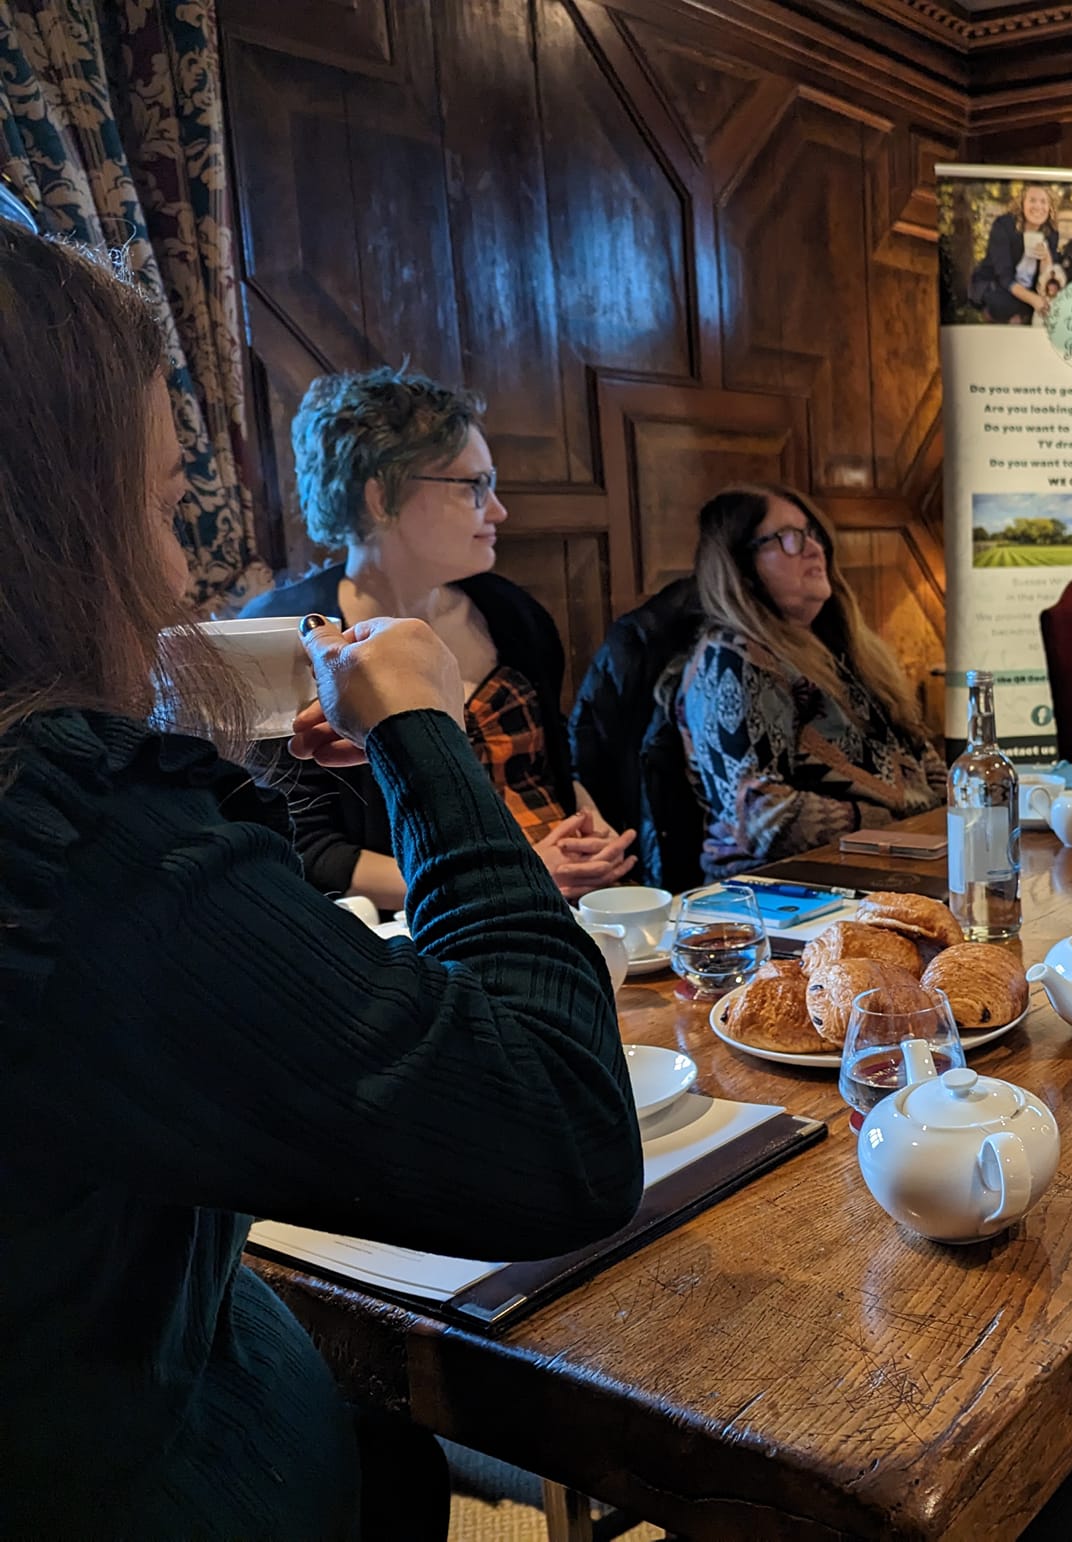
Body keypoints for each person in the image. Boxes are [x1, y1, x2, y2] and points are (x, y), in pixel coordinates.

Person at [0, 227, 642, 1538]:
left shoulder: (512, 619)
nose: (177, 574)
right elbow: (562, 1132)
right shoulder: (68, 840)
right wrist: (428, 742)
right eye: (164, 506)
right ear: (51, 529)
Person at [244, 368, 634, 906]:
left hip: (572, 901)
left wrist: (591, 827)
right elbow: (306, 848)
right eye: (474, 486)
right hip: (424, 924)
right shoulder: (286, 634)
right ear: (380, 497)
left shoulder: (514, 614)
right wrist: (508, 878)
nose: (498, 510)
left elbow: (546, 768)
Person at [674, 484, 945, 878]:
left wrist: (951, 813)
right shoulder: (730, 658)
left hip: (893, 860)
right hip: (783, 889)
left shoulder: (844, 647)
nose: (814, 548)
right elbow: (761, 817)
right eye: (788, 537)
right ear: (742, 567)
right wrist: (893, 821)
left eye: (812, 534)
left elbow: (922, 759)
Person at [969, 183, 1060, 325]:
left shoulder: (1051, 233)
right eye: (1032, 200)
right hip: (997, 285)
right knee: (1001, 303)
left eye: (1043, 202)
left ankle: (1018, 316)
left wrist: (1046, 257)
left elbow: (1046, 280)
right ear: (1022, 203)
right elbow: (1004, 277)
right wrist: (1033, 300)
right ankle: (1010, 316)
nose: (1038, 207)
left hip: (1029, 290)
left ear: (1050, 208)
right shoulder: (1004, 226)